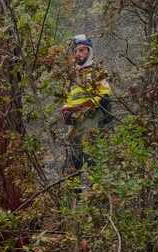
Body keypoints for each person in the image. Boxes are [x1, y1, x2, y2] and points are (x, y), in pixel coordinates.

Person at [60, 34, 113, 171]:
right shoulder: (72, 75)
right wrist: (66, 110)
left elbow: (105, 95)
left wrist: (84, 106)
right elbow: (67, 97)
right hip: (75, 123)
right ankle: (73, 191)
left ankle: (97, 190)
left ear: (89, 51)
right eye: (76, 51)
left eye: (82, 50)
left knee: (91, 158)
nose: (78, 54)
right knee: (72, 161)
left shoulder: (97, 70)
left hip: (91, 119)